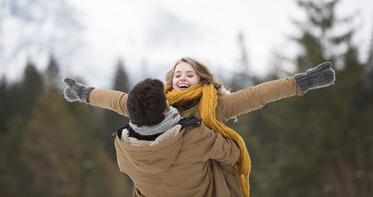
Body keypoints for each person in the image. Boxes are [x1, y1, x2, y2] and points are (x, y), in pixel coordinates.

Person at [63, 58, 336, 197]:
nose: (182, 76)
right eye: (177, 73)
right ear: (168, 83)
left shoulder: (216, 106)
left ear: (201, 79)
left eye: (189, 73)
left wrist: (300, 83)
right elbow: (115, 99)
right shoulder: (151, 104)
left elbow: (257, 94)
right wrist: (85, 93)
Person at [64, 78, 241, 197]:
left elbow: (118, 101)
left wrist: (87, 94)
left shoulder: (124, 147)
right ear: (166, 110)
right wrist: (212, 126)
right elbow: (233, 154)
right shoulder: (195, 137)